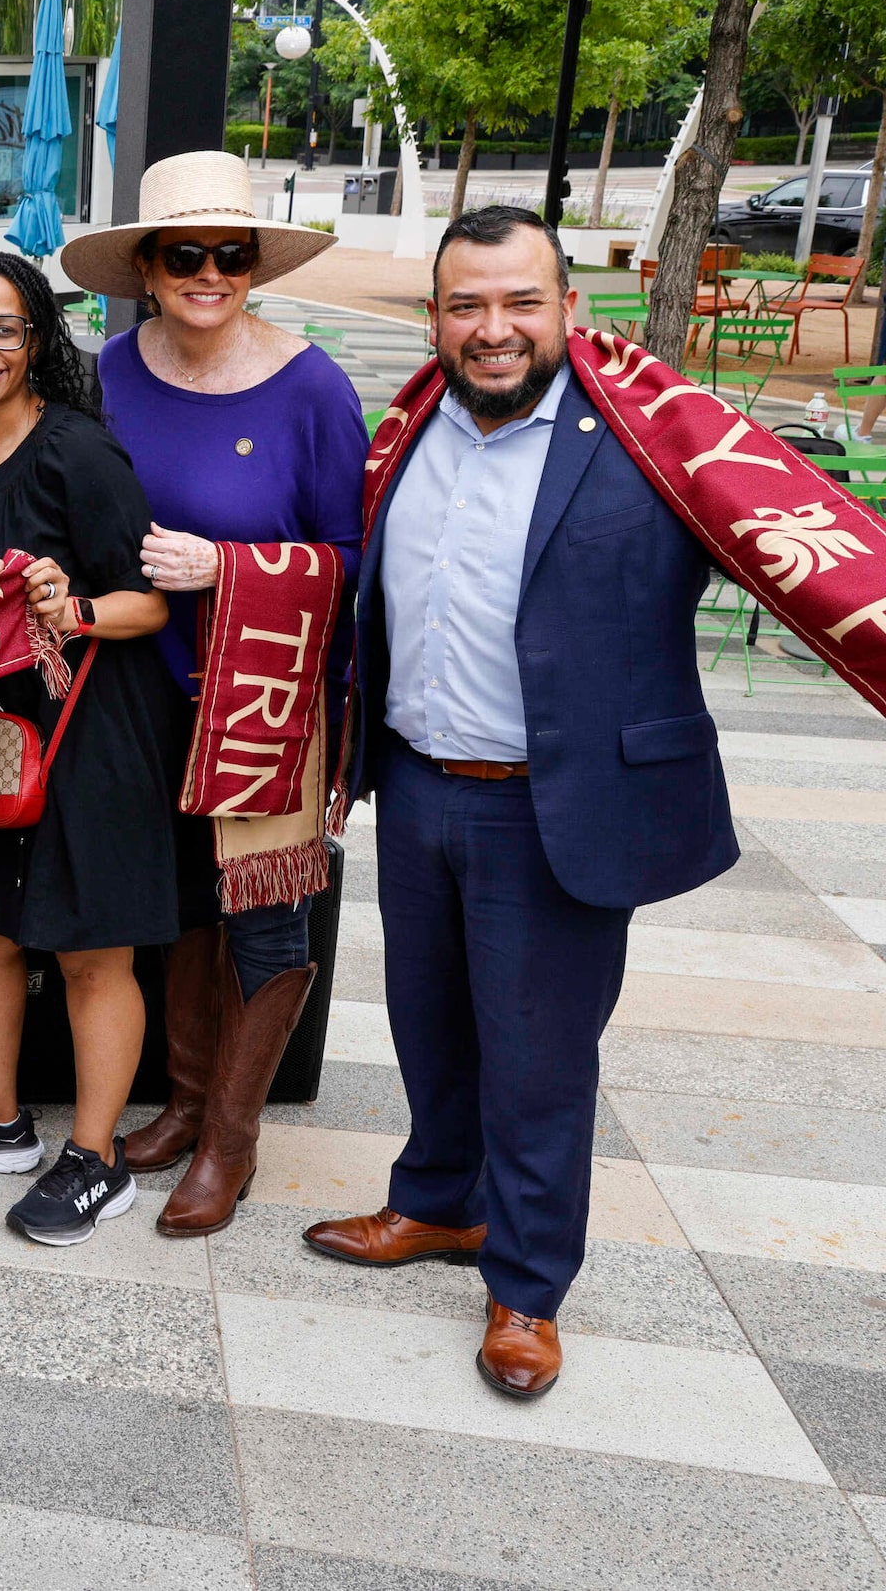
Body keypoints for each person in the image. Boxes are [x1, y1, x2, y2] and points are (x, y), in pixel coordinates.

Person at [304, 206, 737, 1399]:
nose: (491, 329)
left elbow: (792, 544)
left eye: (518, 302)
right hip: (418, 784)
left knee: (538, 1061)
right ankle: (438, 1205)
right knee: (428, 1023)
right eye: (465, 305)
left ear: (567, 311)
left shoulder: (653, 443)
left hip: (559, 806)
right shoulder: (402, 433)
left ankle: (527, 1286)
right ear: (432, 317)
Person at [61, 151, 362, 1237]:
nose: (207, 273)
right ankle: (183, 1101)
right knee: (179, 911)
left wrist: (228, 570)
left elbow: (350, 553)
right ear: (143, 266)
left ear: (252, 267)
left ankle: (230, 1141)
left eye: (228, 255)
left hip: (268, 703)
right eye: (182, 254)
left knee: (266, 923)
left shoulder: (312, 385)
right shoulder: (105, 374)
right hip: (140, 694)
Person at [0, 252, 176, 1247]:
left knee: (94, 954)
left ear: (37, 339)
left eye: (2, 328)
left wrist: (72, 604)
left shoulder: (75, 453)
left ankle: (96, 1158)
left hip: (91, 735)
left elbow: (150, 601)